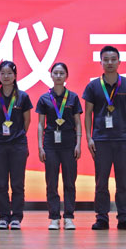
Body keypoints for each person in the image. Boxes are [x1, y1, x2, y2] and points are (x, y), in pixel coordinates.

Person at [83, 45, 126, 231]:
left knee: (123, 182)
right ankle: (102, 218)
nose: (109, 63)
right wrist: (89, 138)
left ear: (119, 62)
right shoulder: (93, 86)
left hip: (123, 140)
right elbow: (88, 114)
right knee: (101, 182)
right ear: (100, 62)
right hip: (101, 140)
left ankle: (124, 218)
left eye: (113, 59)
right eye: (106, 60)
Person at [0, 61, 32, 230]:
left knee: (18, 183)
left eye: (9, 73)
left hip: (18, 144)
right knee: (1, 183)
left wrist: (16, 135)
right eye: (3, 73)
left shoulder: (23, 97)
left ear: (15, 76)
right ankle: (3, 217)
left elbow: (27, 122)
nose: (6, 76)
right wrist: (1, 135)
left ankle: (17, 217)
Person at [36, 62, 83, 230]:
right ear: (51, 75)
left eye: (61, 73)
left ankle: (69, 217)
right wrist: (40, 147)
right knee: (52, 182)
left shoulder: (73, 97)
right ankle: (54, 217)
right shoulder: (44, 98)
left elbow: (78, 122)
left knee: (70, 182)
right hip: (50, 145)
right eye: (55, 73)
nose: (58, 76)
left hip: (69, 144)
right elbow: (40, 124)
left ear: (66, 76)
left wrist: (79, 144)